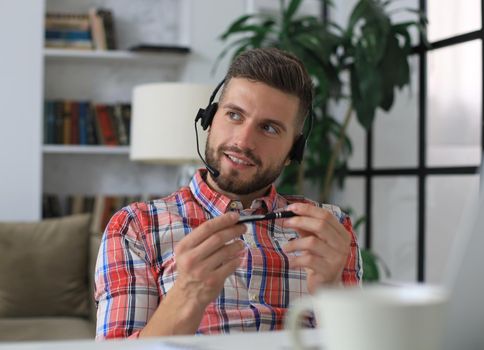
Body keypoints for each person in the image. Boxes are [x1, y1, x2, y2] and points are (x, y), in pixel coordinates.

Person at [94, 47, 362, 339]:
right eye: (234, 115)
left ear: (292, 152)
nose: (243, 141)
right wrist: (188, 293)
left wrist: (331, 291)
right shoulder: (135, 227)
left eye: (269, 129)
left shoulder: (328, 230)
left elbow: (358, 344)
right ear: (210, 119)